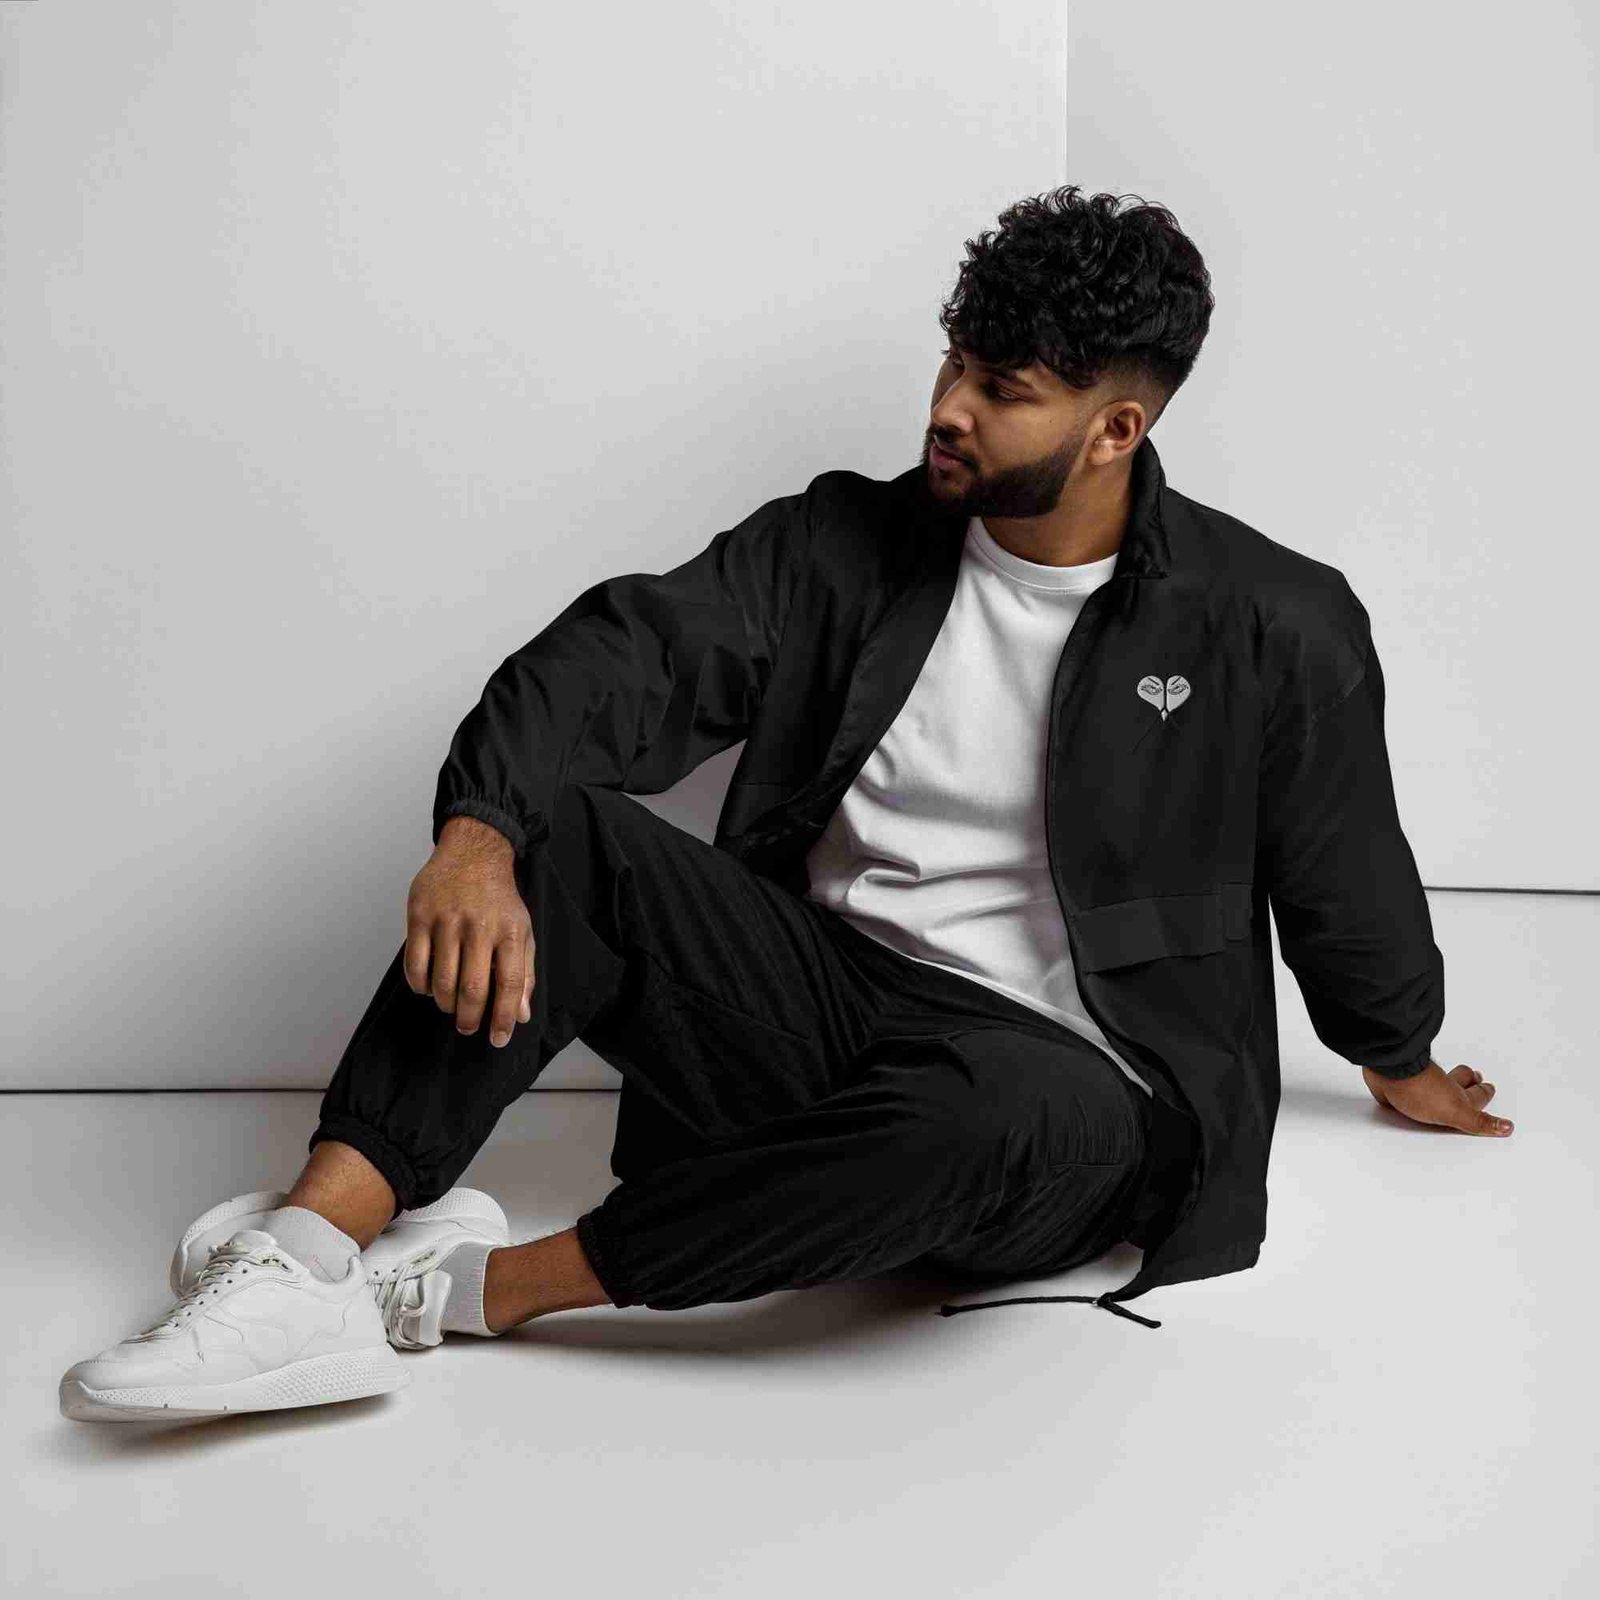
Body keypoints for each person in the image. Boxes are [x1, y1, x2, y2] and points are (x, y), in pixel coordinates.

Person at [60, 186, 1511, 1424]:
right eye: (954, 360)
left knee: (987, 1110)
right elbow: (624, 656)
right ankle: (305, 1259)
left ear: (1116, 427)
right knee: (559, 827)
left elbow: (1343, 860)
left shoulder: (1271, 622)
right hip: (822, 1004)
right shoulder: (843, 544)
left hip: (1076, 1090)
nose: (948, 408)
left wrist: (1396, 1050)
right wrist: (478, 833)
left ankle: (467, 1290)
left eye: (1004, 390)